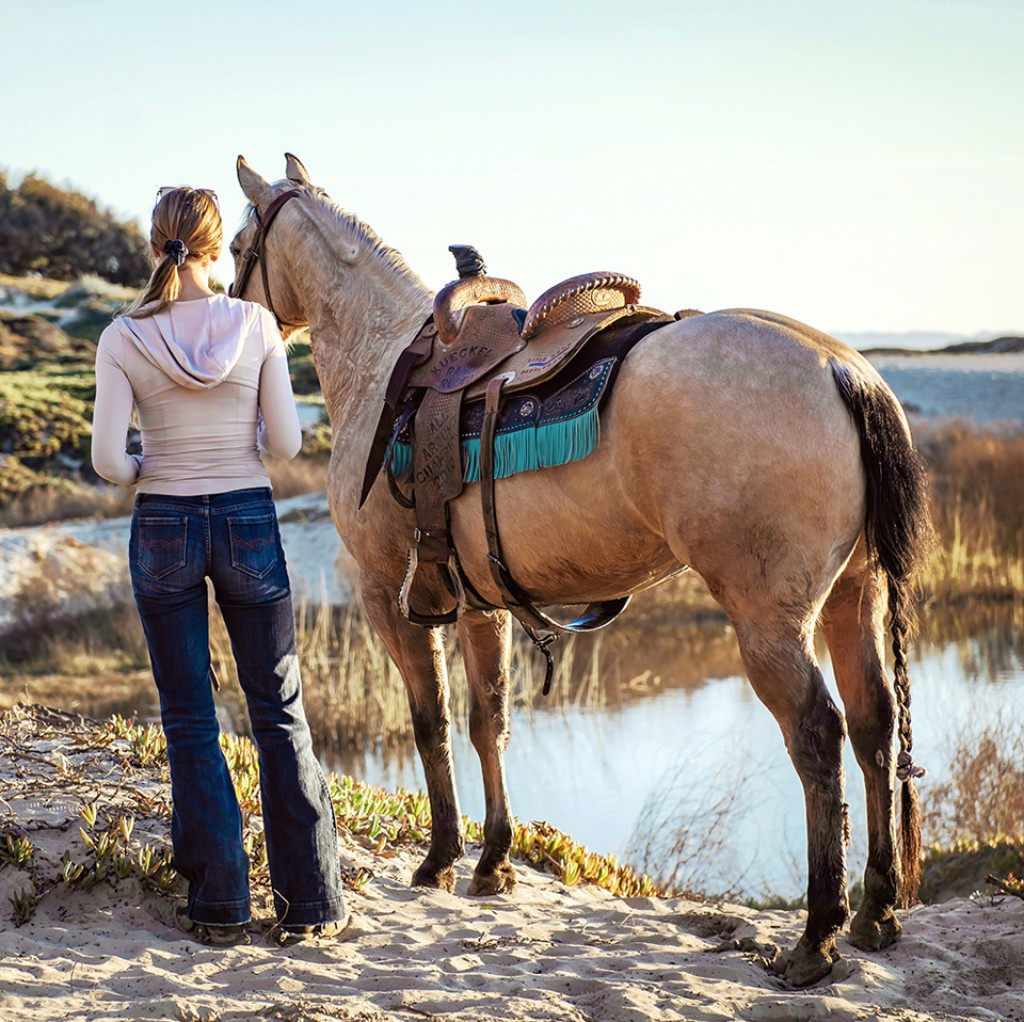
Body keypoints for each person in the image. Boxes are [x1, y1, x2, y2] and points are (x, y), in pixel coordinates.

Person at [91, 186, 347, 947]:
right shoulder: (258, 323)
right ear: (213, 247)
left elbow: (109, 462)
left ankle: (220, 906)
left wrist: (150, 463)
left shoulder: (121, 335)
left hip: (165, 521)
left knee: (190, 720)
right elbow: (286, 446)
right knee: (279, 710)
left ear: (153, 244)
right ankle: (311, 905)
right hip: (247, 519)